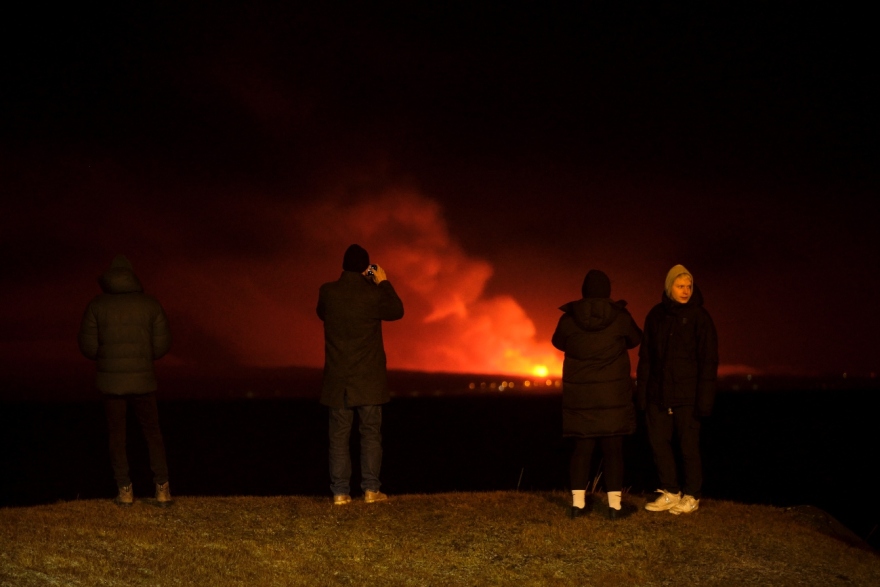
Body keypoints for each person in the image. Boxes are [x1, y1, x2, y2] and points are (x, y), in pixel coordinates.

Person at [78, 254, 173, 507]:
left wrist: (109, 356)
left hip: (111, 384)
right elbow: (162, 345)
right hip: (143, 381)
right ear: (133, 277)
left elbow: (87, 347)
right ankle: (162, 489)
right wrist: (142, 357)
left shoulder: (96, 306)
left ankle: (125, 491)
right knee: (153, 434)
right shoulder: (150, 304)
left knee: (117, 437)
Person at [552, 269, 642, 520]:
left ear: (584, 290)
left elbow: (558, 342)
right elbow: (636, 339)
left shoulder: (569, 319)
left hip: (581, 400)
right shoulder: (620, 316)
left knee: (582, 450)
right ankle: (614, 508)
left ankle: (577, 505)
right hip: (613, 397)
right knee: (614, 451)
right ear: (607, 291)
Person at [317, 244, 404, 505]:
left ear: (343, 265)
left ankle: (341, 493)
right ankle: (370, 490)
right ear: (367, 268)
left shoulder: (328, 292)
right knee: (370, 435)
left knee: (339, 438)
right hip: (369, 380)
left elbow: (322, 313)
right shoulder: (373, 294)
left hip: (338, 381)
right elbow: (397, 311)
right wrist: (383, 282)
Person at [637, 264, 718, 515]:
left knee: (688, 446)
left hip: (688, 396)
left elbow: (708, 361)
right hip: (658, 394)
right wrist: (642, 394)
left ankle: (692, 495)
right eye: (680, 286)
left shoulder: (700, 318)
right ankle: (671, 492)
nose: (685, 291)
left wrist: (704, 400)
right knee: (659, 443)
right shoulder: (656, 316)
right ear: (669, 286)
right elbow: (646, 358)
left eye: (689, 286)